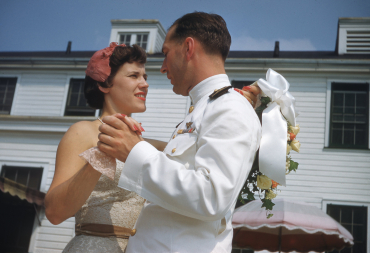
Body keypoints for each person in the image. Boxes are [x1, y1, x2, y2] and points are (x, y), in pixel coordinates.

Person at [44, 42, 259, 251]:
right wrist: (100, 156)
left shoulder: (147, 146)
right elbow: (54, 212)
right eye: (133, 76)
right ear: (103, 84)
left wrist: (232, 109)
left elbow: (205, 152)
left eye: (145, 77)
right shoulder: (83, 132)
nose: (145, 83)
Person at [98, 12, 262, 253]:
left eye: (165, 53)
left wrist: (136, 151)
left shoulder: (229, 107)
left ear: (188, 48)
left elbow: (211, 197)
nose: (162, 68)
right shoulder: (206, 108)